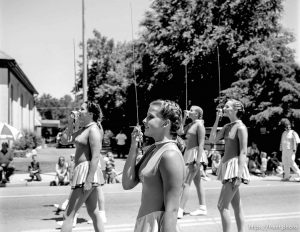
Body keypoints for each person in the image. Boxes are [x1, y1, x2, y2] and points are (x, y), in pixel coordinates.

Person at [122, 99, 185, 232]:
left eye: (150, 117)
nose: (144, 120)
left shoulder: (170, 155)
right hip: (144, 223)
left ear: (166, 123)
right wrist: (134, 146)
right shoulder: (153, 149)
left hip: (157, 225)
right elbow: (127, 184)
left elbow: (172, 210)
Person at [59, 101, 105, 232]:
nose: (78, 111)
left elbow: (96, 156)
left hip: (87, 172)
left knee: (68, 214)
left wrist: (89, 180)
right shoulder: (84, 129)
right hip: (83, 171)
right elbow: (64, 140)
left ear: (90, 113)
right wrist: (70, 123)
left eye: (82, 109)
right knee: (93, 211)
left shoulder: (94, 129)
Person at [209, 99, 250, 232]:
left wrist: (239, 175)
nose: (224, 108)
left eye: (227, 106)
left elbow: (243, 151)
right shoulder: (227, 126)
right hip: (227, 165)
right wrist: (216, 120)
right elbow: (212, 140)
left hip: (234, 168)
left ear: (235, 110)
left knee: (222, 206)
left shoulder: (241, 127)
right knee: (237, 206)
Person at [178, 106, 207, 219]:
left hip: (195, 155)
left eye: (192, 110)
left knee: (186, 183)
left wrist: (198, 160)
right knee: (198, 182)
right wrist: (184, 117)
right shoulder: (191, 124)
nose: (189, 111)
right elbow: (180, 132)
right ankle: (203, 207)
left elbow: (201, 144)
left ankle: (180, 210)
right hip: (190, 153)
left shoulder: (200, 125)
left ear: (198, 114)